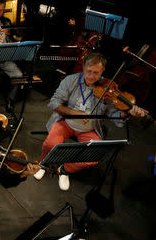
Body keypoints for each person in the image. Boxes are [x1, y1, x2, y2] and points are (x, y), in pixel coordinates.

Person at [33, 52, 147, 190]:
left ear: (102, 71)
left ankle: (64, 170)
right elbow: (54, 103)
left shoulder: (109, 88)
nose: (92, 76)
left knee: (93, 158)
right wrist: (75, 113)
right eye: (89, 71)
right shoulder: (71, 80)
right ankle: (43, 164)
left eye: (96, 73)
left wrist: (126, 113)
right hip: (67, 122)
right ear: (83, 67)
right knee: (50, 144)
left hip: (89, 128)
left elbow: (115, 116)